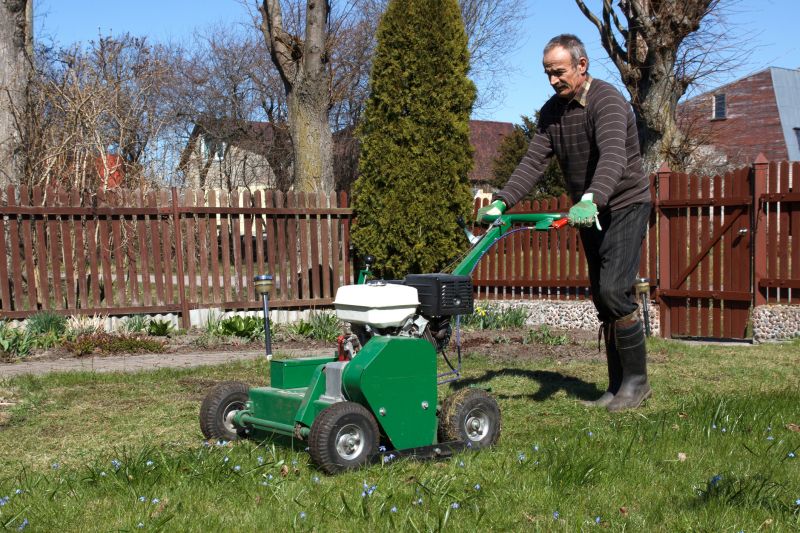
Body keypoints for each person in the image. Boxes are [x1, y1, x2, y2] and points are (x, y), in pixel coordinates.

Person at [477, 34, 652, 412]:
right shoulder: (551, 113)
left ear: (581, 65)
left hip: (623, 204)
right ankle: (616, 385)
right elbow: (532, 163)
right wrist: (502, 201)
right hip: (589, 211)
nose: (553, 80)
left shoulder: (607, 101)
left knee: (614, 291)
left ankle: (637, 384)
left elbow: (612, 158)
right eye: (548, 74)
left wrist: (591, 198)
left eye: (559, 72)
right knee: (602, 299)